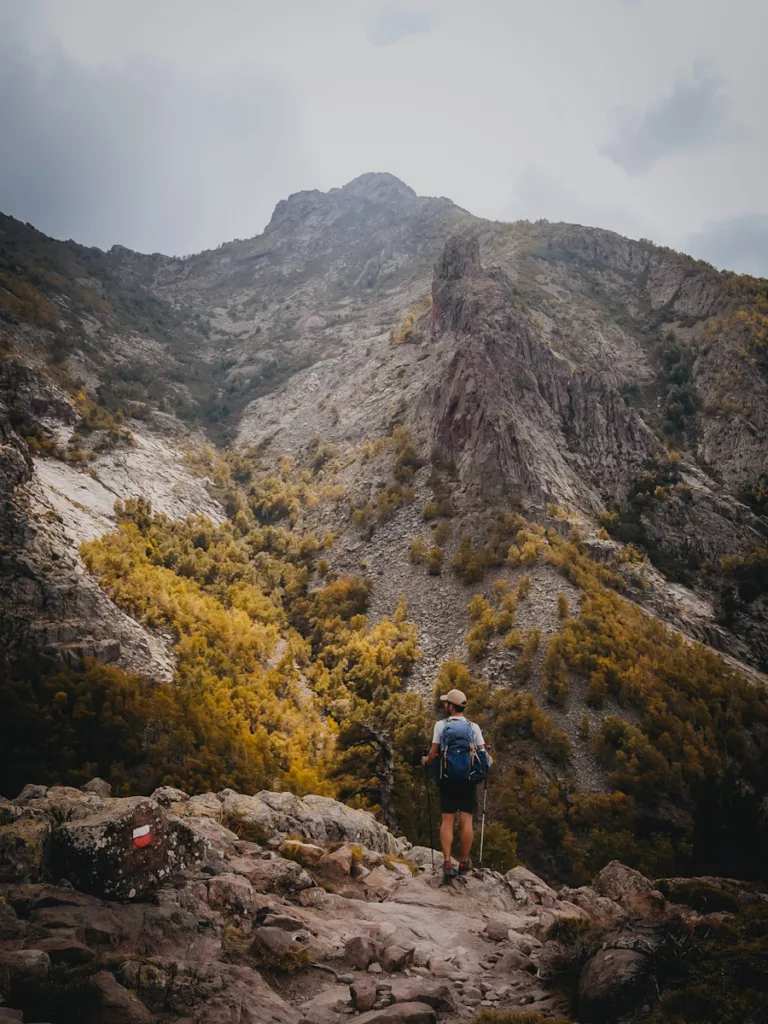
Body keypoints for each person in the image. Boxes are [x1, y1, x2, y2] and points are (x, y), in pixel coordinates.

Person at [422, 687, 490, 879]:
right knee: (466, 820)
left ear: (451, 707)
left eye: (446, 703)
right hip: (468, 780)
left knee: (447, 820)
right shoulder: (473, 727)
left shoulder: (440, 726)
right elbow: (482, 753)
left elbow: (434, 753)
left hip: (447, 779)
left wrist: (426, 761)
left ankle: (446, 861)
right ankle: (463, 861)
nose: (445, 705)